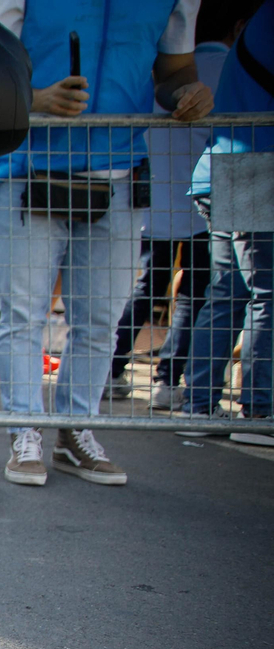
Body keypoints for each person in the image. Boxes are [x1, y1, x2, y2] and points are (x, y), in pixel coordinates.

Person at [0, 0, 213, 487]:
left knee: (101, 319)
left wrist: (186, 93)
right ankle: (25, 430)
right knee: (23, 314)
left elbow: (174, 70)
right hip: (30, 167)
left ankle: (75, 429)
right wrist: (34, 97)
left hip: (121, 172)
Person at [138, 3, 248, 409]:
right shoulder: (223, 72)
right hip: (207, 198)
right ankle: (172, 382)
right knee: (197, 293)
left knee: (149, 288)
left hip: (159, 201)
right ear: (238, 26)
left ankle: (118, 370)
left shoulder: (164, 74)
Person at [182, 1, 272, 421]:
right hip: (253, 168)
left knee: (228, 293)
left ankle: (199, 404)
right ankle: (257, 410)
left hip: (220, 167)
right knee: (266, 296)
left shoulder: (261, 23)